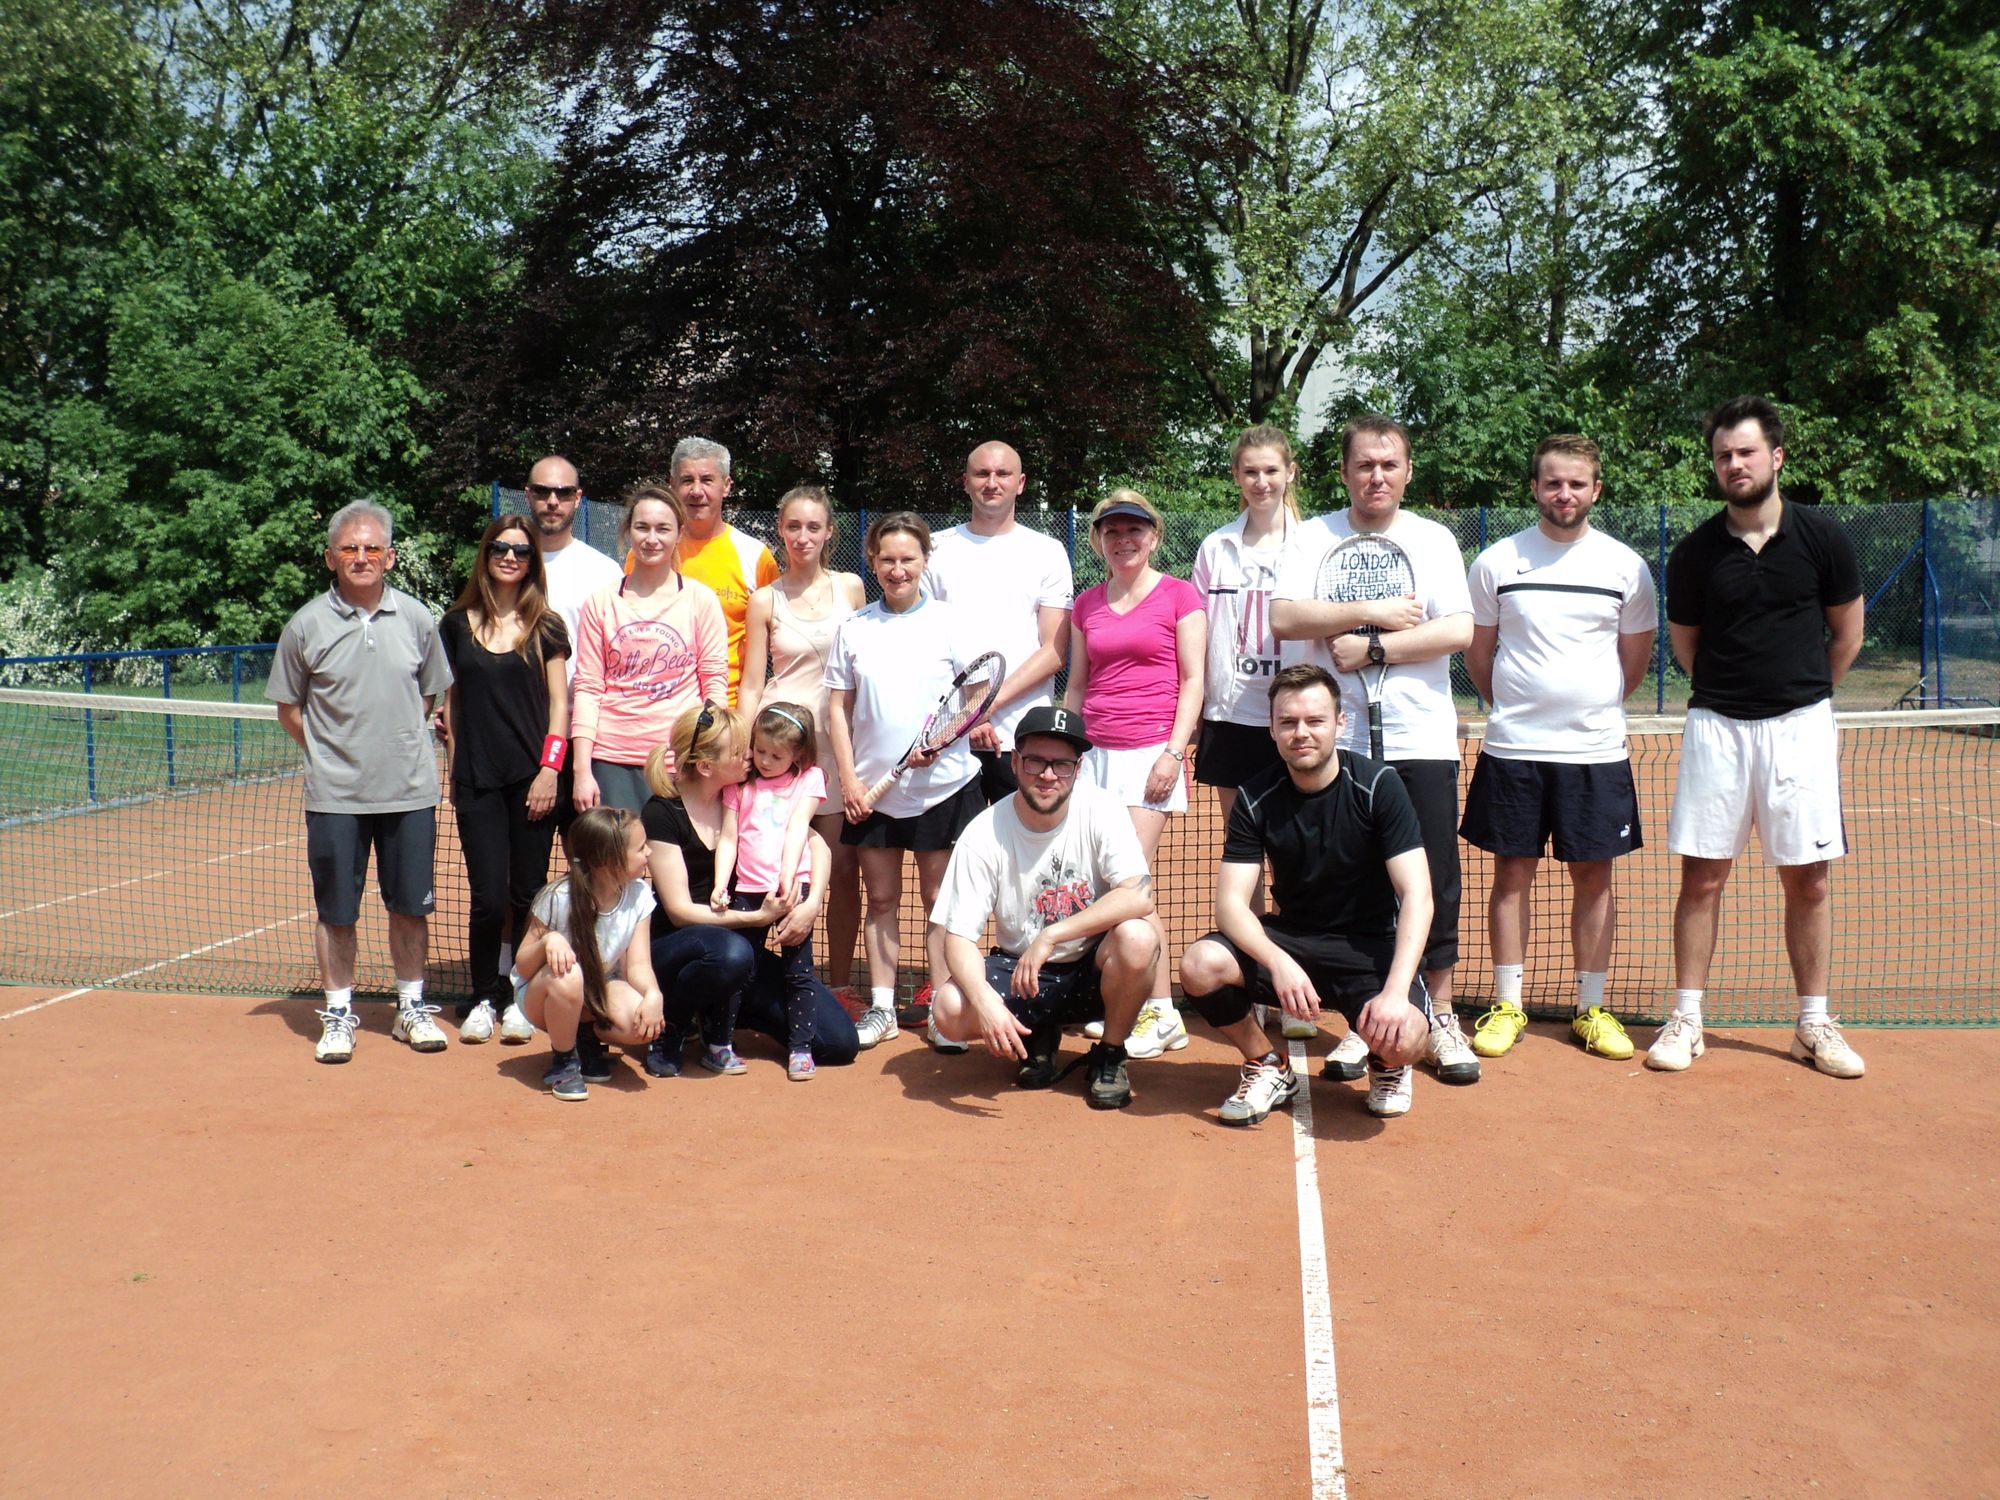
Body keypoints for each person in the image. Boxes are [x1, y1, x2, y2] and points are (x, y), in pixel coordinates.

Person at [1652, 396, 1867, 1078]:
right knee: (1702, 878)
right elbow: (1687, 646)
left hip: (1801, 728)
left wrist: (1798, 695)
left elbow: (1847, 635)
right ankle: (1687, 1018)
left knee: (1810, 882)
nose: (1734, 463)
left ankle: (1813, 1022)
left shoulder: (1822, 537)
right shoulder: (1694, 553)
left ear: (1775, 456)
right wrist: (1735, 694)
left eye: (1745, 451)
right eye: (1723, 455)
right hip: (1717, 728)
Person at [1270, 414, 1480, 1089]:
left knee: (1431, 877)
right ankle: (1370, 1019)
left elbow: (1458, 629)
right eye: (1364, 465)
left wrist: (1376, 646)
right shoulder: (1312, 537)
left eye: (1389, 465)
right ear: (1344, 472)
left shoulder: (1433, 539)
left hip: (1420, 739)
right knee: (1351, 884)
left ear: (1408, 471)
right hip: (1336, 742)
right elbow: (1285, 616)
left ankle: (1439, 1013)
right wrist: (1376, 610)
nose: (1377, 476)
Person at [1459, 436, 1656, 1061]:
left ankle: (1590, 1009)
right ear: (1535, 487)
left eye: (1576, 483)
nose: (1563, 494)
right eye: (1552, 483)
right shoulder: (1496, 562)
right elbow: (1479, 654)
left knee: (1595, 878)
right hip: (1514, 748)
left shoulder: (1626, 567)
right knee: (1511, 874)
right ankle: (1507, 1004)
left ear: (1595, 489)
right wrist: (1516, 707)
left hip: (1596, 752)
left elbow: (1633, 663)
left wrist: (1588, 708)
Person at [1178, 666, 1434, 1124]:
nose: (1301, 733)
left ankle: (1387, 1065)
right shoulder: (1255, 797)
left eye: (1315, 721)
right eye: (1288, 722)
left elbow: (1417, 893)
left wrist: (1396, 993)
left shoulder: (1378, 786)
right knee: (1200, 964)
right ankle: (1267, 1064)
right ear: (1272, 728)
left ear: (1340, 722)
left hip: (1369, 947)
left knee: (1406, 1036)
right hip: (1293, 941)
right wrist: (1278, 962)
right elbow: (1231, 906)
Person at [268, 500, 454, 1064]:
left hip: (409, 792)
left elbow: (429, 691)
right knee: (336, 912)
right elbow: (289, 708)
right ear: (331, 557)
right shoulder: (305, 625)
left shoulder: (417, 619)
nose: (361, 556)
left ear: (390, 557)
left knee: (410, 908)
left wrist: (398, 740)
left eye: (372, 547)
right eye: (349, 548)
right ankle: (339, 1014)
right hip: (336, 798)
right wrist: (329, 754)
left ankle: (411, 1009)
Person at [928, 706, 1160, 1110]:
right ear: (1015, 763)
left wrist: (1052, 935)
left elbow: (1138, 895)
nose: (1048, 775)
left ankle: (1110, 1054)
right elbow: (959, 937)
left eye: (1062, 765)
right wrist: (985, 1003)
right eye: (1035, 761)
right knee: (949, 1009)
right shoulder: (983, 833)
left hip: (1092, 969)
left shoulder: (1102, 809)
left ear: (1078, 769)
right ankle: (1037, 1032)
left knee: (1139, 936)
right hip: (1024, 974)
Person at [825, 512, 986, 1050]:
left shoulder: (949, 621)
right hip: (874, 791)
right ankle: (883, 1008)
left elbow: (974, 695)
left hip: (945, 786)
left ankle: (943, 1009)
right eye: (887, 559)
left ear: (924, 561)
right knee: (882, 899)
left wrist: (941, 740)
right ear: (872, 562)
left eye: (908, 559)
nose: (897, 570)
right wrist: (849, 780)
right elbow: (837, 709)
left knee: (940, 898)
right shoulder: (854, 628)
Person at [642, 702, 860, 1076]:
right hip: (679, 949)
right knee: (733, 953)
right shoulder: (662, 812)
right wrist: (757, 917)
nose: (751, 756)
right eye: (740, 751)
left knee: (838, 1042)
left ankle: (728, 1013)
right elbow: (679, 911)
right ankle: (673, 1025)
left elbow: (817, 845)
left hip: (738, 951)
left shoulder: (749, 792)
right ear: (707, 766)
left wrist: (810, 905)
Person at [1190, 424, 1320, 1042]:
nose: (1261, 482)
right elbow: (1198, 633)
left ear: (1289, 472)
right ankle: (1261, 984)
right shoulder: (1215, 547)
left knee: (1299, 856)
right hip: (1230, 719)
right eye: (1250, 472)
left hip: (1293, 719)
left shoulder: (1315, 543)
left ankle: (1302, 984)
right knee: (1247, 857)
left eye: (1271, 470)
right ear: (1237, 477)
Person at [1064, 489, 1205, 1061]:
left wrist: (1173, 753)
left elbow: (1193, 680)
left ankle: (1163, 1012)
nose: (1124, 540)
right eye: (1113, 531)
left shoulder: (1180, 595)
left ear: (1154, 536)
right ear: (1099, 540)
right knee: (1108, 882)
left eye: (1134, 530)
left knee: (1129, 882)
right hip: (1094, 755)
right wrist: (1068, 752)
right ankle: (1133, 1000)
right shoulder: (1086, 604)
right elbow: (1077, 684)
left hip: (1150, 754)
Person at [439, 513, 572, 1044]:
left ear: (532, 561)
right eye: (500, 548)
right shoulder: (455, 625)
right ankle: (482, 997)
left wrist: (550, 770)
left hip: (532, 781)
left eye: (520, 551)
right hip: (478, 781)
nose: (510, 557)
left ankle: (519, 995)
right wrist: (455, 767)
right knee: (487, 898)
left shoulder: (548, 625)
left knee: (527, 896)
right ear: (486, 554)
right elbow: (451, 704)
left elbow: (560, 705)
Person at [739, 486, 869, 1007]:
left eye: (813, 526)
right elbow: (753, 683)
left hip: (837, 749)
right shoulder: (764, 599)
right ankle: (757, 984)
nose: (803, 536)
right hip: (779, 754)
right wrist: (745, 748)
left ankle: (836, 985)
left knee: (840, 869)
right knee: (767, 864)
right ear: (781, 529)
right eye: (793, 526)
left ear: (829, 531)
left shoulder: (851, 588)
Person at [923, 440, 1074, 804]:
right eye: (982, 473)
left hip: (1025, 740)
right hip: (952, 742)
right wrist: (967, 718)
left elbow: (1054, 650)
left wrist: (983, 708)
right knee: (959, 843)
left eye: (1003, 474)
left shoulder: (1048, 551)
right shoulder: (934, 550)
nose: (992, 482)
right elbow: (928, 647)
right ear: (966, 482)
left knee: (1028, 838)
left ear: (1020, 483)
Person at [570, 481, 729, 814]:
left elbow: (714, 684)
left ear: (679, 534)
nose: (652, 538)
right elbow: (588, 688)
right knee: (618, 850)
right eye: (642, 527)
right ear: (629, 531)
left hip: (678, 760)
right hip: (612, 759)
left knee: (671, 850)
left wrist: (704, 752)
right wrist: (582, 771)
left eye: (663, 529)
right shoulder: (601, 602)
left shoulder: (701, 600)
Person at [509, 806, 664, 1101]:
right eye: (641, 848)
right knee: (569, 974)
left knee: (639, 1025)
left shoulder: (640, 895)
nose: (649, 852)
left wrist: (653, 995)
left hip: (597, 989)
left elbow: (639, 965)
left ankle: (584, 1038)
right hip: (543, 994)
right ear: (611, 859)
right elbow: (524, 967)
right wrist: (548, 941)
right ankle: (564, 1063)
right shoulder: (558, 897)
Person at [711, 703, 827, 1079]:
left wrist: (788, 879)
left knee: (798, 972)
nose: (764, 761)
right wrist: (720, 884)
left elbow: (798, 828)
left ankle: (800, 1049)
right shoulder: (740, 784)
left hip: (792, 889)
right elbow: (729, 838)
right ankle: (719, 1043)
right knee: (739, 969)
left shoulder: (809, 779)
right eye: (759, 750)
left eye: (776, 756)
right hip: (747, 889)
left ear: (798, 754)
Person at [670, 436, 779, 705]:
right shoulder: (649, 553)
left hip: (727, 710)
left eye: (707, 480)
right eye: (687, 480)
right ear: (672, 485)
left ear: (726, 486)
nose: (696, 491)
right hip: (662, 708)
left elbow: (777, 648)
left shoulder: (755, 556)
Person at [525, 455, 622, 682]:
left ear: (577, 498)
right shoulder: (506, 564)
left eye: (564, 493)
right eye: (542, 491)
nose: (552, 501)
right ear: (528, 496)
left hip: (579, 702)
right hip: (514, 701)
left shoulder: (604, 573)